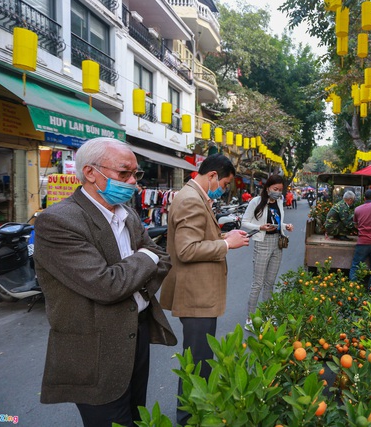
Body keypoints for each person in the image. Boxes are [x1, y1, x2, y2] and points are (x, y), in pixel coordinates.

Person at [33, 137, 176, 427]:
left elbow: (162, 257)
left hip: (136, 334)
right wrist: (142, 261)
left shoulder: (128, 214)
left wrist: (136, 268)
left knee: (138, 417)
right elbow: (106, 285)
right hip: (94, 350)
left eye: (136, 174)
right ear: (90, 172)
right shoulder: (58, 221)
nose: (133, 182)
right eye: (124, 173)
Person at [159, 153, 249, 425]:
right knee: (197, 361)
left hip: (199, 291)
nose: (224, 188)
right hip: (196, 294)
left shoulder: (195, 196)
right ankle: (189, 417)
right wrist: (226, 245)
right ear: (212, 176)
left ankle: (194, 411)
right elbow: (186, 250)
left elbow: (197, 238)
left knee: (199, 357)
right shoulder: (190, 200)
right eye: (224, 183)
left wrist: (224, 236)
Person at [241, 175, 293, 329]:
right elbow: (244, 222)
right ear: (267, 188)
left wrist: (285, 226)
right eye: (275, 189)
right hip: (262, 243)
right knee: (258, 283)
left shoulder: (279, 201)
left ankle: (267, 316)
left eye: (280, 190)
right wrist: (260, 227)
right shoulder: (256, 202)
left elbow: (277, 220)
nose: (278, 192)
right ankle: (250, 319)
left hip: (277, 242)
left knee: (270, 283)